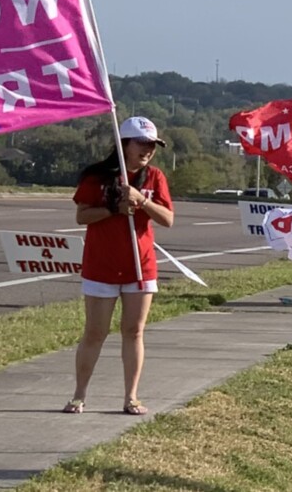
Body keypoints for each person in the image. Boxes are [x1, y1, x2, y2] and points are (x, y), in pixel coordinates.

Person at [63, 116, 174, 416]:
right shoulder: (96, 176)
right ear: (124, 143)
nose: (148, 151)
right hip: (102, 265)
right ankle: (79, 395)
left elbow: (167, 219)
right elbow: (81, 216)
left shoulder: (155, 177)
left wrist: (142, 202)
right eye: (142, 144)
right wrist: (113, 209)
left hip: (141, 266)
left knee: (134, 332)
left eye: (152, 146)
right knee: (95, 332)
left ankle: (131, 397)